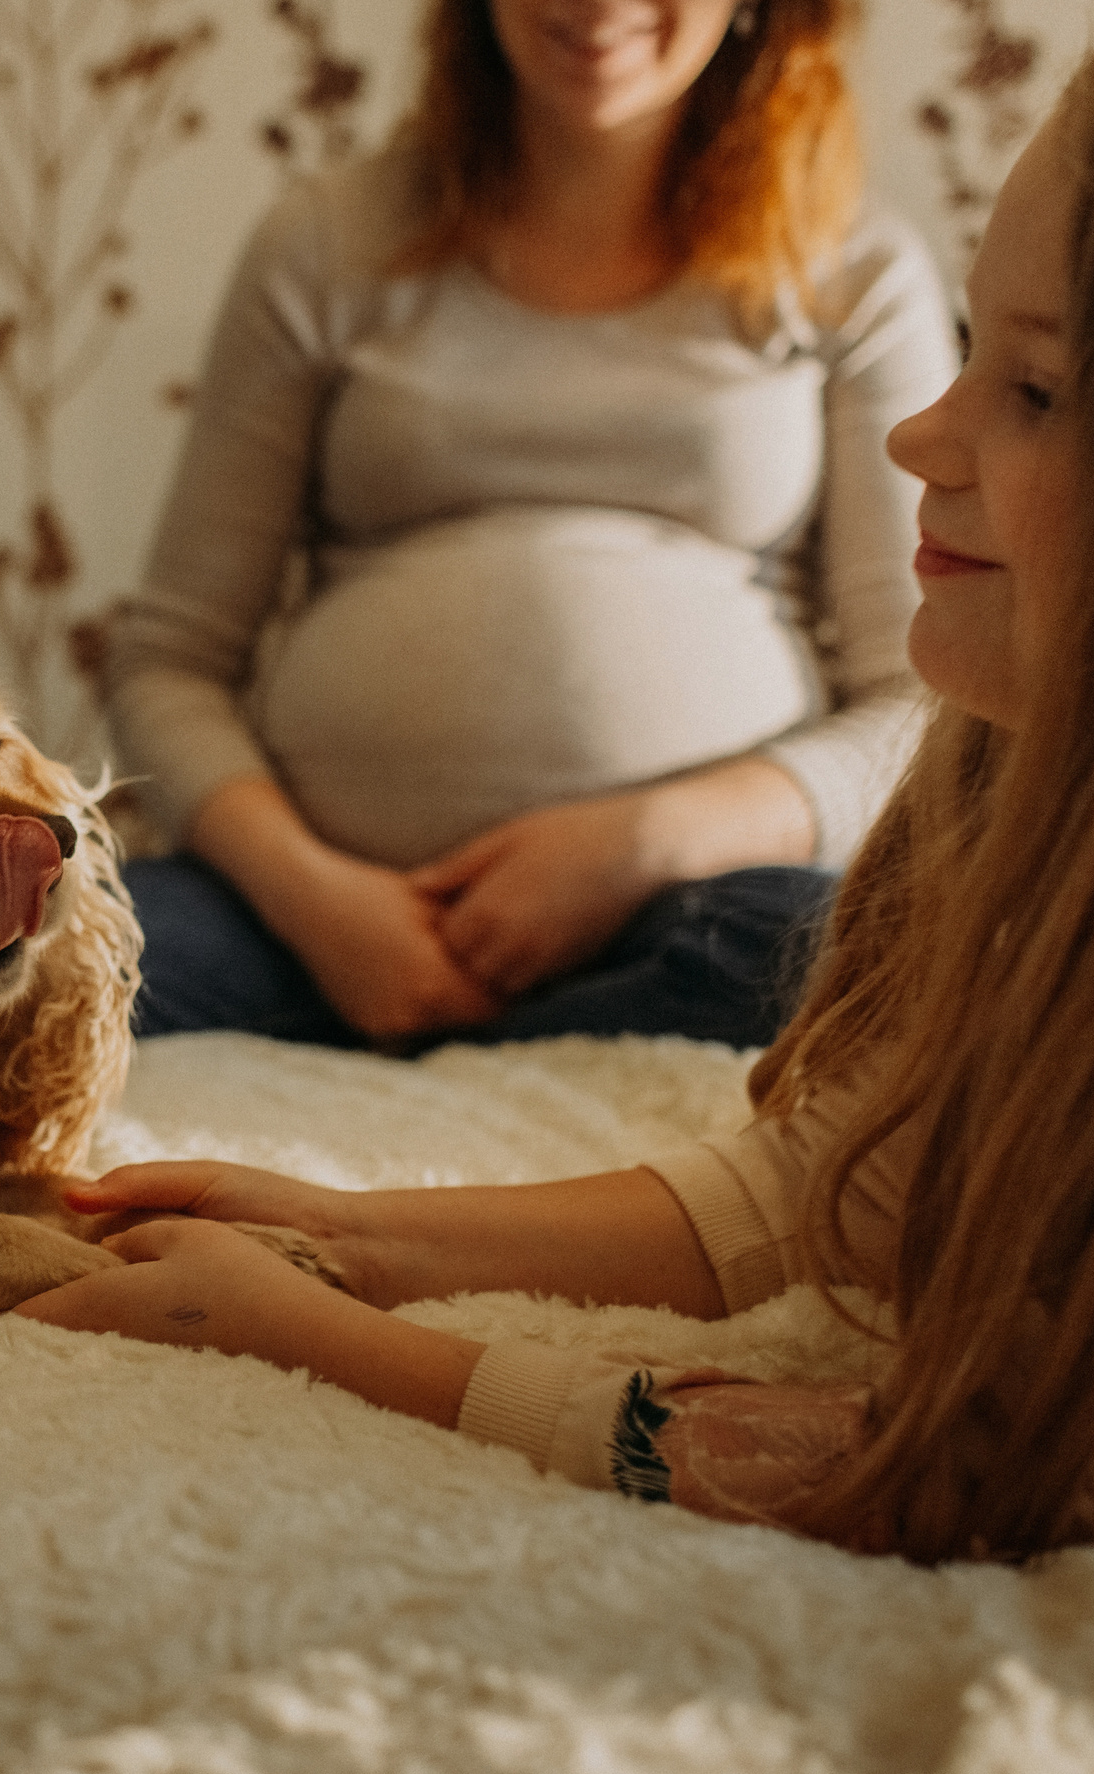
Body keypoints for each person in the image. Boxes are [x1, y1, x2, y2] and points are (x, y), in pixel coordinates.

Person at [27, 0, 1094, 1560]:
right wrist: (349, 1230)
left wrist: (335, 1340)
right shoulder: (331, 242)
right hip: (308, 892)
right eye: (979, 367)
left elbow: (966, 1468)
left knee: (761, 935)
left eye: (1038, 392)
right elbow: (815, 1186)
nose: (927, 430)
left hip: (678, 906)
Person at [105, 0, 956, 1050]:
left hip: (688, 919)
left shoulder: (853, 271)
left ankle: (502, 1067)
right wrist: (319, 901)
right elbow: (167, 664)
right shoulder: (325, 245)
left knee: (839, 952)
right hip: (305, 926)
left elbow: (925, 699)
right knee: (54, 958)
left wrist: (645, 842)